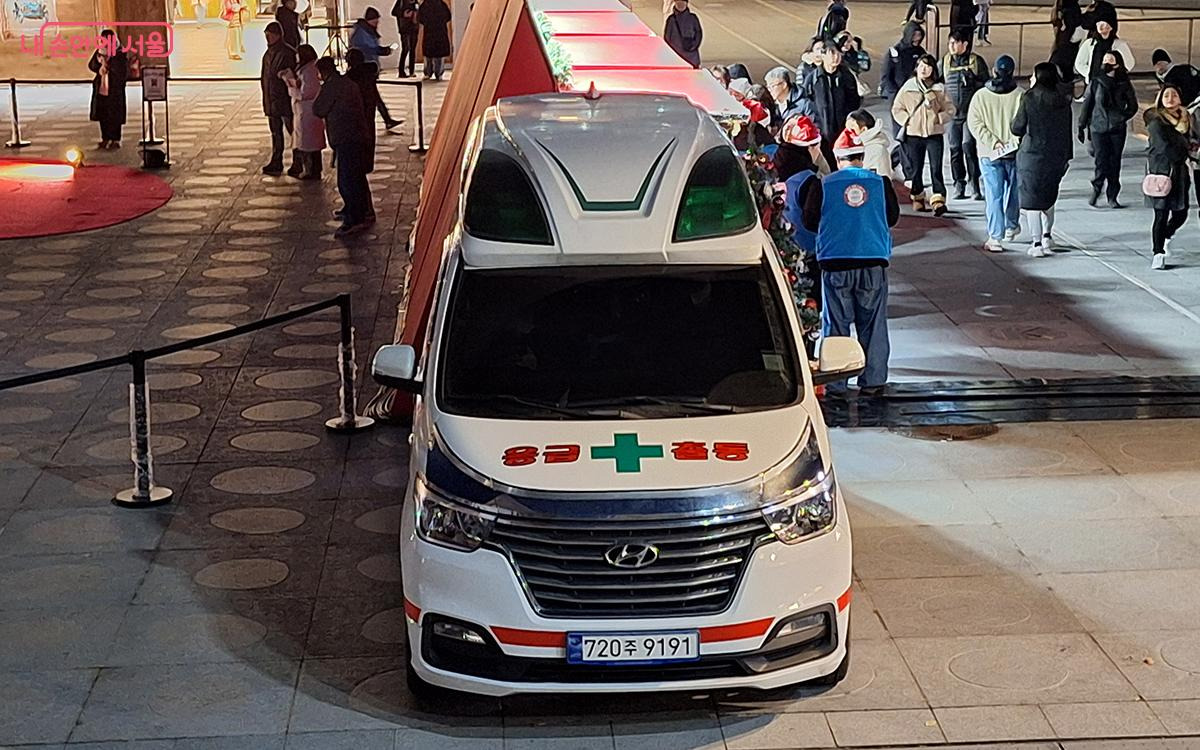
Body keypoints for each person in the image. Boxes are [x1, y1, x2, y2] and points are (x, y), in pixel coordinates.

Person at [801, 128, 901, 396]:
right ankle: (873, 381)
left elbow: (810, 221)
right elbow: (892, 217)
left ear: (837, 157)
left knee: (836, 325)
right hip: (872, 261)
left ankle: (836, 383)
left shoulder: (823, 184)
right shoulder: (881, 183)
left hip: (835, 262)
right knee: (873, 325)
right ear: (862, 156)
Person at [1011, 62, 1073, 258]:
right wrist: (1066, 156)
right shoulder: (1063, 100)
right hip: (1056, 156)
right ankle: (1047, 236)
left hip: (1032, 155)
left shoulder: (1029, 98)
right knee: (1048, 198)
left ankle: (1036, 243)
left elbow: (1017, 127)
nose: (1030, 79)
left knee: (1032, 201)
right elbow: (1066, 131)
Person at [967, 54, 1023, 252]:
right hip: (1014, 152)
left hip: (988, 152)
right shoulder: (1020, 95)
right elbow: (1024, 124)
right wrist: (1012, 142)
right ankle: (1012, 225)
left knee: (994, 194)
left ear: (994, 71)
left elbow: (974, 123)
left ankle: (995, 236)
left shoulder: (980, 96)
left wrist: (992, 141)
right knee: (1014, 192)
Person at [314, 56, 373, 236]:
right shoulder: (347, 83)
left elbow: (318, 109)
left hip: (346, 137)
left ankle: (354, 219)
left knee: (347, 181)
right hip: (356, 135)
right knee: (357, 177)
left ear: (323, 72)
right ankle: (362, 211)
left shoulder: (331, 87)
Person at [892, 54, 955, 215]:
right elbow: (897, 108)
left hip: (934, 134)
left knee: (936, 167)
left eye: (927, 67)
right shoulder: (908, 88)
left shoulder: (939, 89)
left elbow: (950, 109)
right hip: (913, 134)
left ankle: (938, 199)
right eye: (921, 66)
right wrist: (907, 121)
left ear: (933, 69)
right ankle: (918, 197)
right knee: (916, 168)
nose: (924, 70)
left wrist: (938, 119)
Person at [1078, 50, 1137, 208]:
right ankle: (1097, 188)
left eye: (1109, 60)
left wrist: (1122, 116)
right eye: (1104, 60)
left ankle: (1112, 195)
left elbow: (1133, 105)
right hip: (1098, 128)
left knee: (1114, 162)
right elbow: (1087, 105)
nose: (1106, 63)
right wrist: (1081, 125)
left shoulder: (1123, 84)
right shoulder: (1096, 83)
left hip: (1117, 129)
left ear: (1117, 64)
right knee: (1101, 161)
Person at [1144, 85, 1193, 270]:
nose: (1171, 98)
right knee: (1161, 214)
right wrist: (1185, 152)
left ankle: (1166, 236)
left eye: (1174, 95)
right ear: (1160, 100)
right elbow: (1164, 147)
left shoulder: (1186, 119)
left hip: (1180, 173)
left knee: (1181, 212)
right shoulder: (1157, 122)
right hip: (1162, 172)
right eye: (1166, 95)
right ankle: (1158, 253)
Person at [940, 29, 989, 200]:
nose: (952, 46)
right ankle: (958, 184)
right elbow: (936, 82)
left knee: (969, 148)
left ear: (965, 44)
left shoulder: (976, 61)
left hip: (970, 114)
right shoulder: (945, 62)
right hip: (952, 116)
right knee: (955, 150)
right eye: (950, 43)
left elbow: (986, 84)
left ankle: (974, 184)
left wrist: (973, 81)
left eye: (955, 43)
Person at [802, 43, 862, 168]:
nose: (836, 57)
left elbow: (854, 101)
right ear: (823, 55)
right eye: (832, 53)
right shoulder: (813, 79)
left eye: (838, 53)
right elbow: (807, 103)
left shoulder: (846, 77)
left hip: (843, 131)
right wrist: (815, 124)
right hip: (821, 132)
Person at [350, 7, 403, 128]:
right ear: (370, 20)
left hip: (369, 68)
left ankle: (387, 119)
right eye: (376, 20)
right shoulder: (362, 33)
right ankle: (385, 120)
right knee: (372, 96)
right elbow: (367, 48)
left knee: (374, 96)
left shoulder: (367, 31)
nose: (378, 23)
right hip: (364, 69)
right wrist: (383, 50)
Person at [261, 22, 298, 176]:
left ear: (277, 35)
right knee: (275, 133)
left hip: (284, 100)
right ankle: (276, 160)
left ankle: (298, 161)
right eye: (266, 35)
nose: (267, 38)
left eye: (270, 35)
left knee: (293, 132)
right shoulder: (268, 54)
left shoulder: (287, 52)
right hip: (272, 100)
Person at [286, 43, 325, 180]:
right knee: (306, 142)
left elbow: (306, 93)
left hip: (308, 112)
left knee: (309, 144)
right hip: (305, 112)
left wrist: (291, 89)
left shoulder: (309, 72)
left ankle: (311, 170)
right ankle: (310, 169)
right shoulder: (306, 70)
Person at [1074, 7, 1135, 87]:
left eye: (1105, 24)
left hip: (1114, 84)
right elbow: (1079, 63)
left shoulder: (1120, 45)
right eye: (1099, 24)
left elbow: (1129, 63)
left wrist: (1117, 72)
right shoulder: (1089, 44)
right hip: (1094, 84)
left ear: (1111, 27)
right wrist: (1089, 72)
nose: (1101, 27)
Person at [88, 30, 128, 150]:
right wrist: (99, 65)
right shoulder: (100, 52)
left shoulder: (120, 52)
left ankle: (116, 139)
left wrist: (108, 65)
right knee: (103, 114)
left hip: (114, 89)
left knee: (114, 114)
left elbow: (122, 71)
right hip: (101, 87)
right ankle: (105, 138)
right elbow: (91, 65)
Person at [346, 48, 380, 179]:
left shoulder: (351, 77)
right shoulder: (369, 71)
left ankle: (359, 164)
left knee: (357, 139)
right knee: (369, 136)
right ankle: (368, 163)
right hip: (369, 109)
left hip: (357, 111)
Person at [846, 109, 894, 179]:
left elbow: (880, 178)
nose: (849, 133)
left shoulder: (876, 150)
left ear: (864, 130)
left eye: (852, 130)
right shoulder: (858, 146)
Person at [1049, 0, 1084, 82]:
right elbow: (1072, 24)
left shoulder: (1061, 9)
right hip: (1068, 41)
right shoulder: (1071, 9)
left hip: (1065, 40)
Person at [418, 0, 452, 80]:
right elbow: (448, 17)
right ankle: (438, 73)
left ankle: (428, 73)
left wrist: (427, 22)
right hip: (439, 31)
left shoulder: (425, 4)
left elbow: (420, 18)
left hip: (430, 31)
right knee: (438, 55)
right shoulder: (442, 4)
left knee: (429, 54)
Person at [664, 0, 703, 69]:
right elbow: (667, 38)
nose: (680, 5)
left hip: (689, 57)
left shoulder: (693, 18)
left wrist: (693, 46)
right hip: (679, 57)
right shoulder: (671, 19)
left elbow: (698, 34)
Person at [391, 0, 420, 77]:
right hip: (404, 29)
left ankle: (412, 71)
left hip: (414, 28)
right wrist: (403, 14)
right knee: (406, 49)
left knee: (413, 50)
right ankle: (401, 71)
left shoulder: (416, 2)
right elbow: (394, 12)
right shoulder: (401, 1)